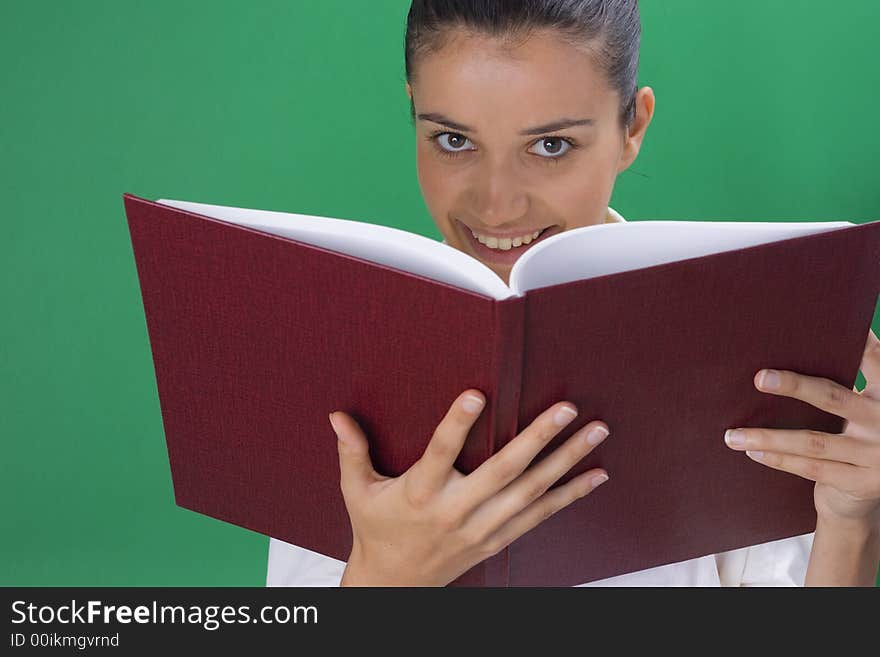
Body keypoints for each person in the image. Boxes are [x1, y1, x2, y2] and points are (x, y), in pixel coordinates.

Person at [267, 0, 880, 587]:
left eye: (551, 145)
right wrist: (386, 578)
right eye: (454, 140)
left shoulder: (738, 346)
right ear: (414, 114)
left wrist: (851, 524)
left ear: (632, 127)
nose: (496, 205)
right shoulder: (342, 355)